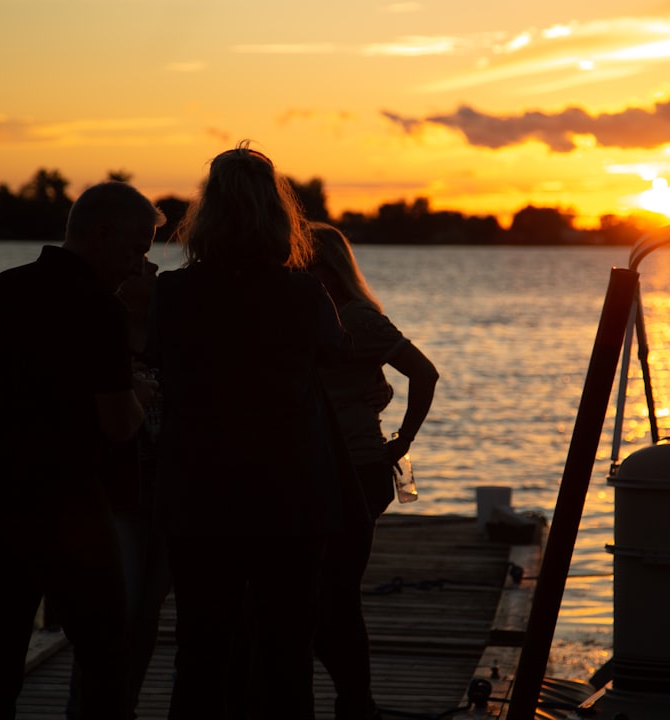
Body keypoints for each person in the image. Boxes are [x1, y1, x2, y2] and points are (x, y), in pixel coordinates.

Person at [145, 142, 363, 719]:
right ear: (278, 214)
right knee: (287, 654)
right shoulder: (301, 292)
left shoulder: (170, 294)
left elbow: (149, 358)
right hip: (292, 493)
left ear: (207, 212)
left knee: (201, 650)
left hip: (198, 491)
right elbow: (336, 352)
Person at [0, 181, 165, 720]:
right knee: (104, 658)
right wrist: (139, 393)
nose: (140, 263)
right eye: (136, 248)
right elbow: (118, 427)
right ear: (101, 235)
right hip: (70, 515)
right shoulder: (100, 309)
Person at [308, 221, 439, 720]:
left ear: (329, 266)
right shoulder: (313, 313)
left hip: (357, 469)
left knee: (334, 596)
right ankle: (352, 700)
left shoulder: (356, 317)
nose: (296, 270)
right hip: (323, 468)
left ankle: (355, 702)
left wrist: (404, 439)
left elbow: (424, 373)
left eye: (305, 262)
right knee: (326, 594)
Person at [67, 258, 172, 720]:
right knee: (114, 612)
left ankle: (123, 706)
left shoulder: (172, 339)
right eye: (145, 267)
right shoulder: (98, 334)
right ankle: (86, 710)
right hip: (117, 493)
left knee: (148, 610)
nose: (152, 270)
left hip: (169, 490)